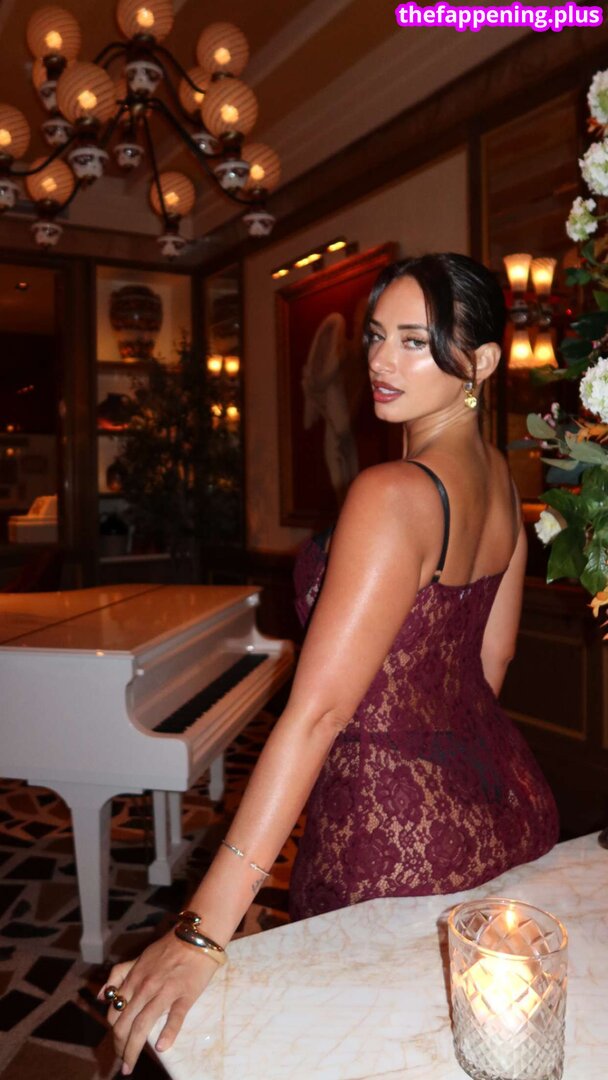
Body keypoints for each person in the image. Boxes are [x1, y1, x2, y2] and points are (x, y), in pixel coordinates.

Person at [102, 253, 559, 1074]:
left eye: (415, 342)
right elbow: (493, 663)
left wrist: (201, 931)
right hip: (505, 798)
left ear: (483, 362)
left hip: (388, 832)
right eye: (377, 336)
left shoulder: (393, 493)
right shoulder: (499, 478)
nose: (381, 361)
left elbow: (317, 715)